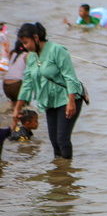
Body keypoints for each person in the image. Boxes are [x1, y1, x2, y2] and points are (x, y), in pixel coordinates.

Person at [11, 23, 85, 160]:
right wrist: (17, 108)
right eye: (23, 43)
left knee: (62, 139)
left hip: (67, 98)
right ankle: (59, 172)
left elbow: (70, 77)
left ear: (36, 37)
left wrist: (71, 101)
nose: (25, 47)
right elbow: (27, 82)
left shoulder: (57, 50)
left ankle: (67, 173)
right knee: (54, 140)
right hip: (49, 101)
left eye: (26, 42)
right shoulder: (31, 56)